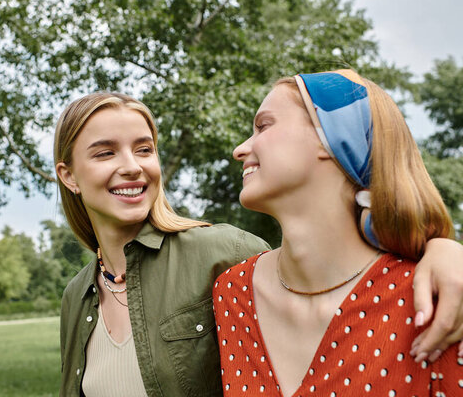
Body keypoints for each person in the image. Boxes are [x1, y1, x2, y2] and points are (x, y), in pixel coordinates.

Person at [54, 92, 463, 396]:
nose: (132, 165)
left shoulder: (220, 254)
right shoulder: (76, 297)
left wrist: (443, 248)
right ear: (69, 176)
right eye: (105, 153)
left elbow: (324, 270)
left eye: (144, 149)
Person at [214, 69, 463, 396]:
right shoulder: (231, 293)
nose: (240, 150)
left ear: (328, 137)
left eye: (263, 126)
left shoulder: (433, 300)